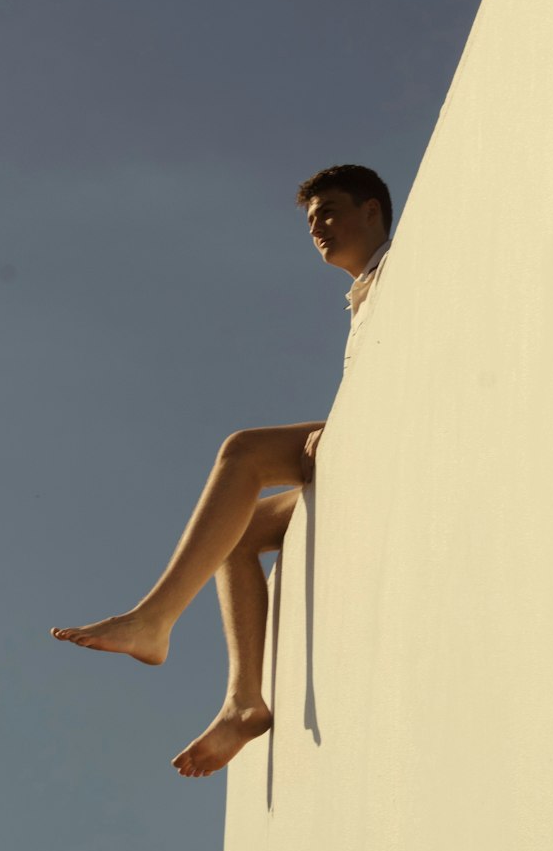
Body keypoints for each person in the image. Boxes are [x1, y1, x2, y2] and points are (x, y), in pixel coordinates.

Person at [51, 164, 393, 778]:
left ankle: (154, 618)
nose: (319, 227)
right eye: (312, 220)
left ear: (373, 211)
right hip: (364, 447)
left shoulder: (403, 267)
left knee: (245, 451)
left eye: (332, 212)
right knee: (235, 536)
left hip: (393, 438)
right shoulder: (360, 296)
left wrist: (339, 428)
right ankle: (243, 701)